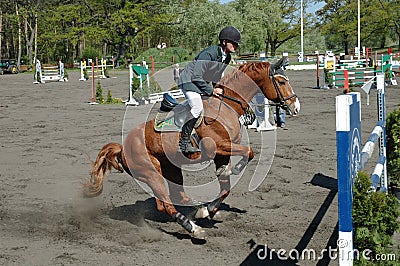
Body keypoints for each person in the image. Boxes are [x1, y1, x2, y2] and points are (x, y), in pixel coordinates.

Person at [177, 26, 241, 153]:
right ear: (224, 42)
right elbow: (196, 76)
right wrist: (211, 91)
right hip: (189, 81)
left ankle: (184, 114)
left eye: (237, 44)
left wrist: (218, 89)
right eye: (233, 43)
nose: (236, 46)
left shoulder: (226, 57)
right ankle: (183, 143)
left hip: (199, 83)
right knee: (197, 107)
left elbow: (215, 76)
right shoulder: (209, 53)